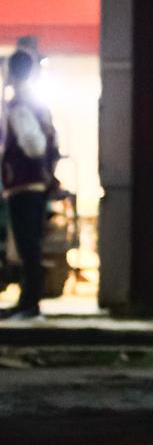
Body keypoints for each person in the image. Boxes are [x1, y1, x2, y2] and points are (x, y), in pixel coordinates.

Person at [2, 50, 59, 320]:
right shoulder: (37, 104)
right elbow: (48, 141)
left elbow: (32, 143)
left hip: (24, 183)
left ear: (11, 72)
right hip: (36, 183)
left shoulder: (19, 105)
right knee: (30, 243)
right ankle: (28, 300)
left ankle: (30, 303)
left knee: (27, 245)